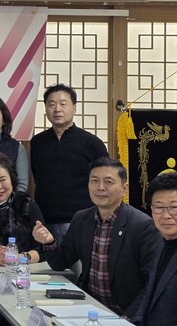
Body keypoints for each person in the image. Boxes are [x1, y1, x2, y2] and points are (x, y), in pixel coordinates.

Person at [33, 157, 159, 318]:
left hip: (124, 313)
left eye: (108, 182)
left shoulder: (142, 225)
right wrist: (49, 242)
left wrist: (128, 319)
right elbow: (61, 263)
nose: (100, 187)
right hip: (88, 307)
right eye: (94, 181)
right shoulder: (81, 219)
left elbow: (152, 283)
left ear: (124, 189)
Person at [30, 84, 108, 243]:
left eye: (63, 104)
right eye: (51, 104)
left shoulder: (92, 143)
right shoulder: (37, 142)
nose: (57, 109)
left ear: (74, 108)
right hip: (44, 221)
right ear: (45, 109)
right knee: (46, 259)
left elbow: (105, 180)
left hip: (80, 221)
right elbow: (37, 177)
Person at [131, 172, 177, 325]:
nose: (166, 215)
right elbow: (149, 297)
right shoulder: (161, 243)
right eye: (159, 207)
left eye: (174, 207)